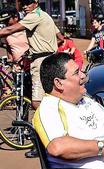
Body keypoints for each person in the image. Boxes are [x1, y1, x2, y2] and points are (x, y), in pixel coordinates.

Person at [0, 0, 64, 158]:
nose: (25, 6)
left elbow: (11, 29)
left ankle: (41, 144)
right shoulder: (46, 16)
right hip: (51, 59)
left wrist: (37, 51)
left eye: (28, 3)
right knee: (50, 100)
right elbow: (61, 38)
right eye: (23, 4)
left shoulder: (33, 16)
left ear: (35, 3)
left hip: (40, 61)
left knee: (37, 103)